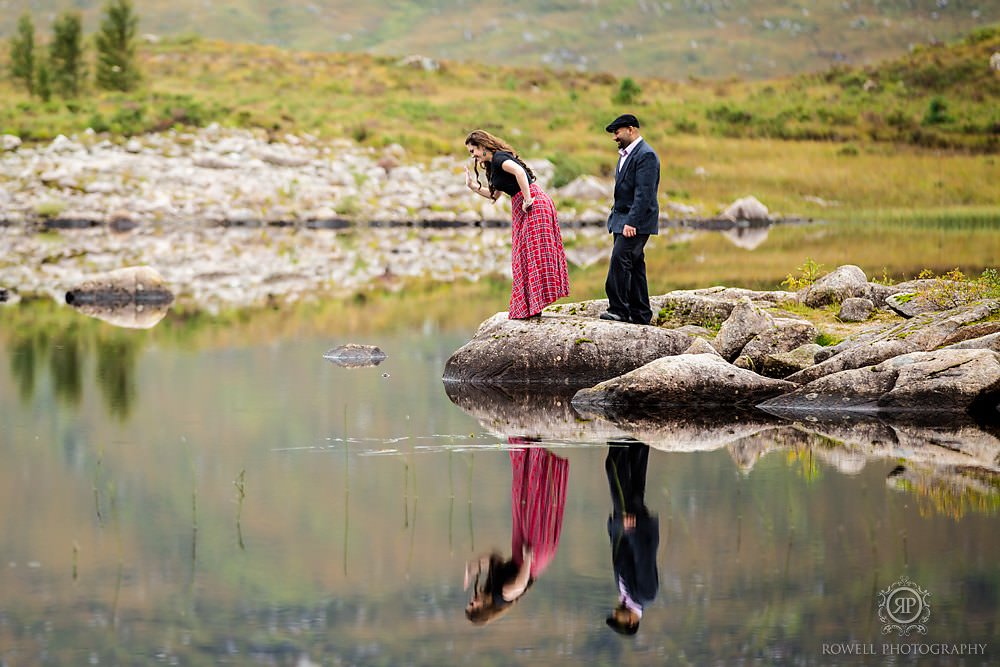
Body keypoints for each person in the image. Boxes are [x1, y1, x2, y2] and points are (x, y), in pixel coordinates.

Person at [464, 130, 570, 320]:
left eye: (473, 151)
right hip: (523, 204)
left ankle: (534, 305)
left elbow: (520, 172)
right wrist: (474, 187)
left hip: (533, 204)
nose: (472, 155)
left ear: (482, 146)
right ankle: (531, 306)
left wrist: (528, 199)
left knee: (532, 254)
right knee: (522, 255)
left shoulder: (500, 159)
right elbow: (494, 195)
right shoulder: (491, 165)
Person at [464, 441, 569, 624]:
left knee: (521, 497)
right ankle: (537, 455)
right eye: (473, 605)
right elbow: (520, 585)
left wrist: (473, 566)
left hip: (520, 551)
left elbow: (495, 557)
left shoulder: (491, 589)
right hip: (532, 558)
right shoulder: (501, 598)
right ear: (483, 608)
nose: (472, 601)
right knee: (533, 501)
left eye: (470, 603)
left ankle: (531, 451)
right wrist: (528, 558)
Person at [600, 114, 660, 325]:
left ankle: (618, 310)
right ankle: (641, 314)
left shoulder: (646, 155)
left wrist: (632, 222)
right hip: (621, 219)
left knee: (619, 261)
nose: (614, 137)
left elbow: (645, 194)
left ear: (631, 129)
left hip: (635, 222)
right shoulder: (626, 154)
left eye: (617, 132)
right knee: (635, 265)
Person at [605, 440, 659, 636]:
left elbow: (620, 556)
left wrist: (613, 530)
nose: (614, 613)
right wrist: (631, 531)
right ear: (630, 622)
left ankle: (639, 439)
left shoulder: (626, 595)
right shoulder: (646, 595)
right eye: (616, 619)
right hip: (634, 527)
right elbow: (643, 558)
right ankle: (618, 436)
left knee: (635, 483)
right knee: (613, 468)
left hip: (626, 527)